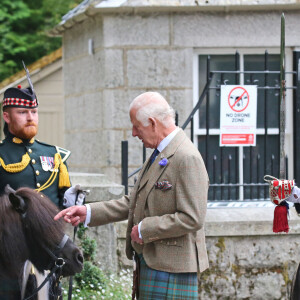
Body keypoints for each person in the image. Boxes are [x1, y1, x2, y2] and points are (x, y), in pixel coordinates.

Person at [55, 91, 209, 299]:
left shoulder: (186, 157)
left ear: (153, 123)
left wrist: (146, 229)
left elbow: (192, 217)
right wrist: (88, 212)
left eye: (137, 126)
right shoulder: (160, 153)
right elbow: (134, 201)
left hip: (172, 269)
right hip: (154, 264)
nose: (134, 133)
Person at [0, 84, 72, 299]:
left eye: (34, 112)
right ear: (7, 116)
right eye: (22, 112)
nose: (30, 117)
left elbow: (63, 201)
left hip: (46, 251)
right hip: (9, 254)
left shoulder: (54, 155)